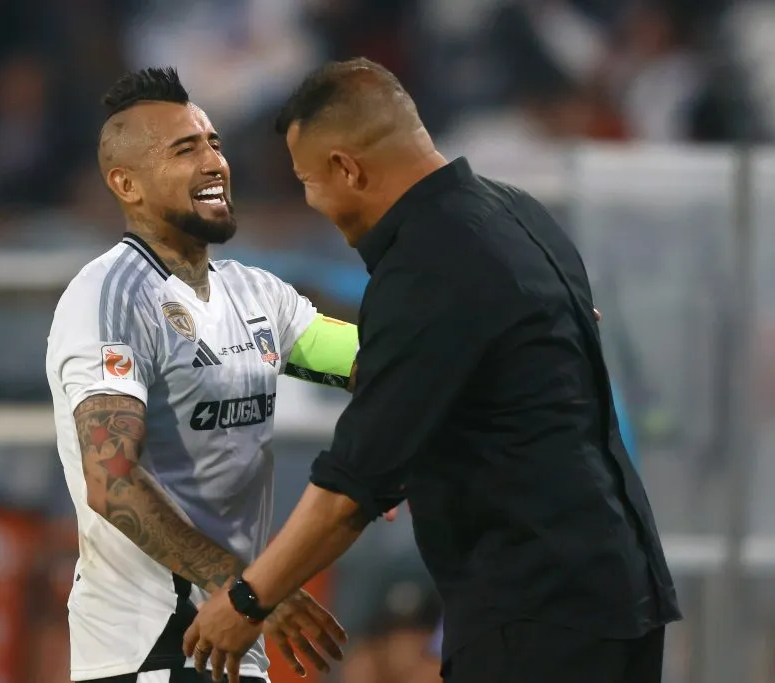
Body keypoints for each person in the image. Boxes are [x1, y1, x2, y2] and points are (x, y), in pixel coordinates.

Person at [183, 58, 682, 683]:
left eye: (310, 182)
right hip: (619, 593)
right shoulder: (520, 217)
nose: (313, 203)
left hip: (537, 612)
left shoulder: (426, 266)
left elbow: (349, 491)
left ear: (347, 168)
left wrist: (248, 601)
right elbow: (507, 380)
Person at [45, 67, 358, 683]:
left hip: (232, 648)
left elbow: (373, 360)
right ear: (126, 184)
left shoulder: (258, 294)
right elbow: (111, 481)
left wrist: (514, 325)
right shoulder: (110, 297)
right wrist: (249, 591)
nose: (214, 161)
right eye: (185, 149)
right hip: (150, 653)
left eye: (214, 143)